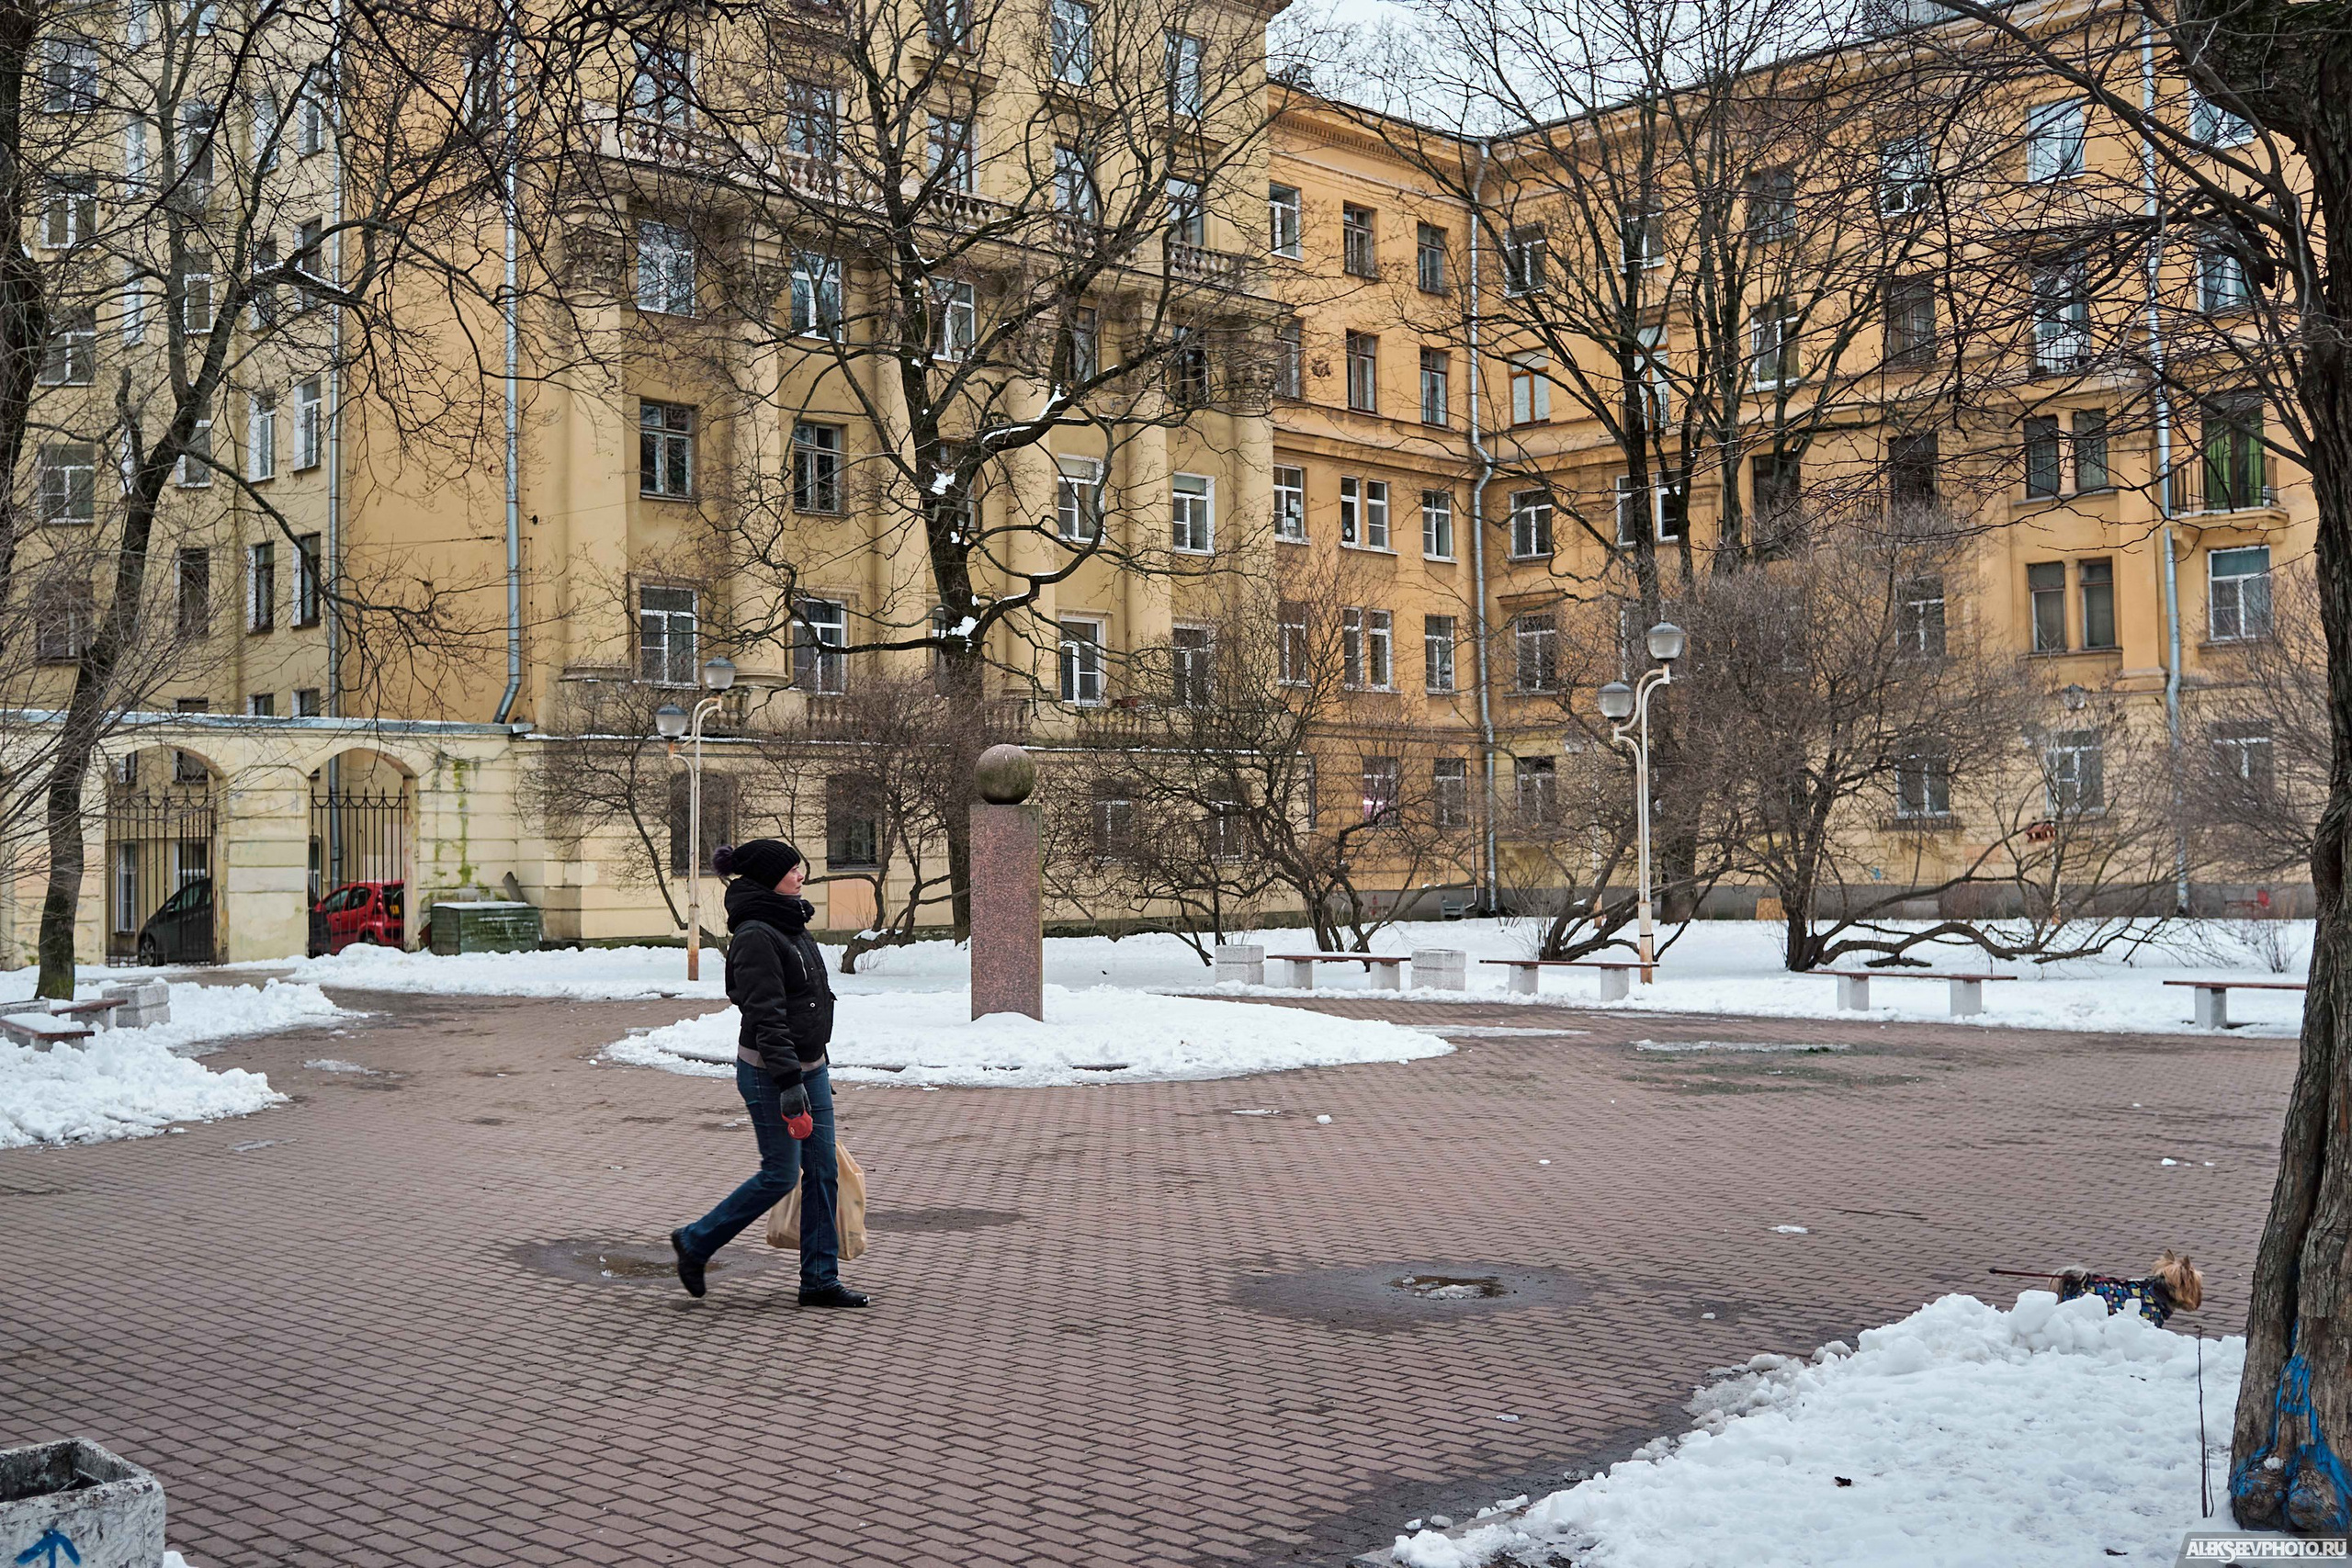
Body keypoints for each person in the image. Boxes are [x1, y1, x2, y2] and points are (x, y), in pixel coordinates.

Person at [671, 838, 867, 1308]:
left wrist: (812, 1064)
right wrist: (788, 1084)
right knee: (780, 1175)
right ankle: (696, 1241)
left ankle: (819, 1280)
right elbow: (767, 1015)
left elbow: (807, 1000)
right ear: (768, 878)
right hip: (772, 1073)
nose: (800, 876)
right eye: (792, 870)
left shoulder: (789, 919)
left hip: (809, 1067)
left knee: (822, 1172)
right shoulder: (757, 934)